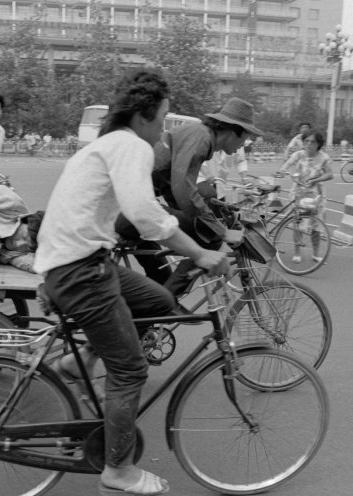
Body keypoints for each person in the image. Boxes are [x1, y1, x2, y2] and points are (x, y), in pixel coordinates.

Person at [34, 70, 229, 496]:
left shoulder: (109, 144)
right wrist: (200, 253)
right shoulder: (130, 145)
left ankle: (80, 358)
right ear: (142, 118)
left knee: (158, 299)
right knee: (129, 370)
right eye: (161, 121)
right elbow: (144, 215)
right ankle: (117, 471)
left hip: (75, 263)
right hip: (81, 270)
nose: (164, 131)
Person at [115, 97, 260, 300]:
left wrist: (210, 211)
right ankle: (167, 303)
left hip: (129, 208)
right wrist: (222, 231)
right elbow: (183, 188)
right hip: (130, 210)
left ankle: (152, 313)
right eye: (244, 138)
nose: (243, 145)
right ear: (233, 130)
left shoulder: (198, 135)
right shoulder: (201, 138)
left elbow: (171, 185)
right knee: (208, 235)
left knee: (163, 276)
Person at [277, 131, 333, 263]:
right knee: (298, 223)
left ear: (318, 144)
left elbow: (330, 175)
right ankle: (297, 253)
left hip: (316, 195)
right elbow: (287, 164)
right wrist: (282, 171)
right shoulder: (298, 155)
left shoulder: (324, 157)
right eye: (306, 141)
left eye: (312, 142)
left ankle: (316, 254)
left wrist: (317, 179)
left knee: (316, 226)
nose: (308, 144)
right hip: (298, 193)